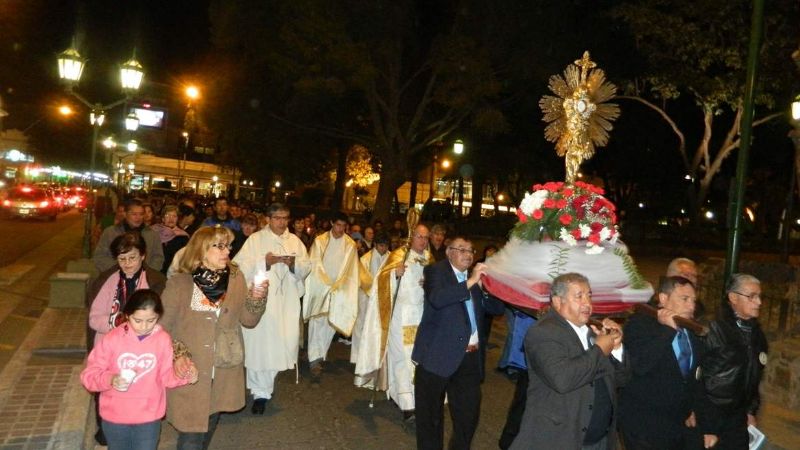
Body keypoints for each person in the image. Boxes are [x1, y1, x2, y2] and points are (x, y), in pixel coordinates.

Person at [160, 226, 268, 449]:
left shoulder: (235, 279)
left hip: (223, 366)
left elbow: (248, 320)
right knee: (191, 435)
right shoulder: (180, 283)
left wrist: (256, 299)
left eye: (227, 245)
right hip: (190, 368)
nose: (226, 251)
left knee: (208, 424)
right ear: (201, 250)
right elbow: (162, 328)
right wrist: (178, 355)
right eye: (219, 246)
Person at [510, 272, 626, 450]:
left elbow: (621, 379)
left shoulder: (592, 333)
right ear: (558, 301)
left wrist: (616, 348)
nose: (587, 303)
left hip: (599, 440)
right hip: (560, 439)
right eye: (579, 296)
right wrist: (599, 349)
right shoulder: (543, 332)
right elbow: (562, 379)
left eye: (589, 295)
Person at [412, 236, 504, 449]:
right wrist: (470, 281)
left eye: (471, 250)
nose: (468, 254)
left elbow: (497, 310)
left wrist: (485, 288)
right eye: (461, 249)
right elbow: (437, 298)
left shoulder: (475, 280)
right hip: (437, 355)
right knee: (430, 417)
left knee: (468, 417)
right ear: (448, 252)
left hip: (470, 358)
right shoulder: (436, 272)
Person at [81, 290, 198, 450]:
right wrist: (111, 379)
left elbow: (166, 376)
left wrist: (185, 375)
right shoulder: (112, 339)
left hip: (149, 416)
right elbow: (89, 376)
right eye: (138, 320)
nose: (144, 327)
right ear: (127, 315)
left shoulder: (162, 339)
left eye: (151, 320)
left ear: (158, 316)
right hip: (115, 416)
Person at [86, 232, 167, 446]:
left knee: (141, 396)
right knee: (111, 394)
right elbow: (94, 318)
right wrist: (117, 322)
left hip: (144, 352)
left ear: (143, 255)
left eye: (132, 257)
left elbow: (160, 319)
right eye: (122, 259)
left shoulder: (156, 280)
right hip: (110, 351)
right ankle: (110, 430)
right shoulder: (107, 280)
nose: (127, 263)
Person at [233, 203, 311, 414]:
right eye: (277, 218)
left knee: (280, 344)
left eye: (285, 218)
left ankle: (264, 388)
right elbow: (238, 266)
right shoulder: (256, 239)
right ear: (268, 218)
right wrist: (263, 262)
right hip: (262, 302)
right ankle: (261, 393)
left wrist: (293, 264)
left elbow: (306, 266)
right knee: (259, 346)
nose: (282, 222)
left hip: (286, 303)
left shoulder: (294, 241)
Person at [356, 226, 432, 423]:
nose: (422, 241)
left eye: (426, 238)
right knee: (402, 358)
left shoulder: (430, 258)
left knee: (418, 360)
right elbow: (381, 282)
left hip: (422, 317)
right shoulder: (399, 255)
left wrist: (430, 283)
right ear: (411, 237)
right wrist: (394, 275)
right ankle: (408, 405)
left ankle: (408, 395)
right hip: (401, 316)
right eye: (419, 237)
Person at [619, 276, 705, 449]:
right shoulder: (640, 325)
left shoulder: (691, 330)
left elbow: (691, 377)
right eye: (684, 299)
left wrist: (690, 408)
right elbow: (639, 365)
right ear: (663, 299)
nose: (691, 306)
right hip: (645, 426)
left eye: (693, 300)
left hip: (676, 424)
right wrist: (668, 330)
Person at [697, 274, 768, 450]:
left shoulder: (757, 334)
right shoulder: (713, 329)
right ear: (733, 297)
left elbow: (754, 375)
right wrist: (704, 424)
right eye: (752, 296)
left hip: (738, 416)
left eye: (759, 296)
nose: (758, 302)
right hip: (713, 414)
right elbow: (698, 377)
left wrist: (751, 410)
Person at [303, 211, 361, 381]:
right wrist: (325, 283)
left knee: (331, 324)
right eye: (337, 225)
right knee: (316, 322)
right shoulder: (320, 241)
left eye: (343, 226)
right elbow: (314, 263)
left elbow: (352, 269)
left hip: (339, 289)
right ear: (331, 223)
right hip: (321, 287)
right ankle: (314, 358)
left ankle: (320, 355)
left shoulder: (350, 244)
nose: (340, 229)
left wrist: (341, 285)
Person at [350, 231, 391, 387]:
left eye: (386, 246)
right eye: (380, 245)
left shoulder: (391, 256)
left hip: (384, 299)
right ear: (375, 245)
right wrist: (375, 290)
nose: (383, 249)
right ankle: (358, 358)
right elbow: (363, 278)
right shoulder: (365, 259)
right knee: (362, 326)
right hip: (367, 298)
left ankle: (376, 358)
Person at [94, 198, 164, 273]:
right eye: (134, 214)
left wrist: (146, 272)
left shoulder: (152, 235)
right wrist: (120, 269)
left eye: (141, 214)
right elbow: (100, 256)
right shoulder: (110, 232)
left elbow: (158, 257)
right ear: (125, 214)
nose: (138, 217)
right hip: (114, 276)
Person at [152, 205, 191, 274]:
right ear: (163, 218)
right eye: (168, 215)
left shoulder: (182, 236)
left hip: (173, 271)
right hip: (154, 269)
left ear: (177, 219)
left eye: (174, 216)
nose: (171, 218)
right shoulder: (154, 231)